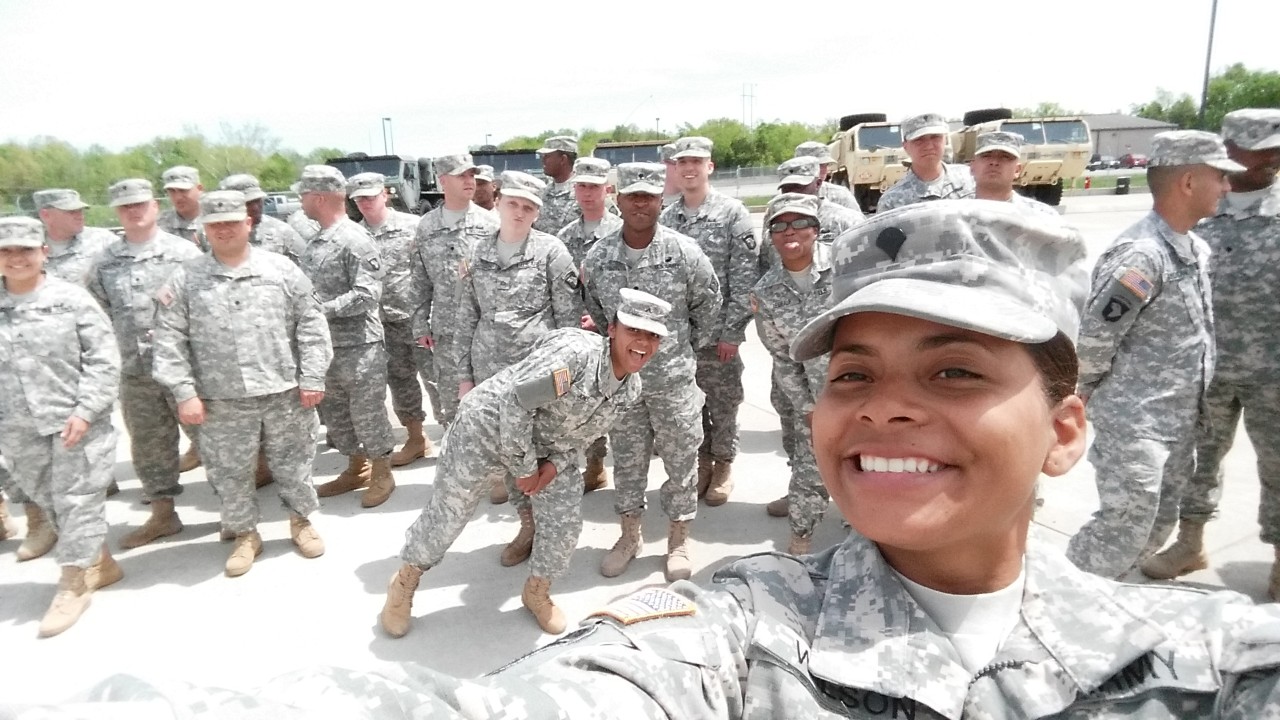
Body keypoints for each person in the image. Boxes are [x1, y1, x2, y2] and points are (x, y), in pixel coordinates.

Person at [47, 202, 1280, 717]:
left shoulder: (1197, 661)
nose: (886, 410)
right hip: (492, 432)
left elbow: (640, 432)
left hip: (543, 449)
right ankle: (418, 575)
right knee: (446, 535)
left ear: (1066, 428)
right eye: (851, 375)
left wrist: (590, 501)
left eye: (955, 372)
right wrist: (534, 485)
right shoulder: (734, 636)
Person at [380, 290, 667, 636]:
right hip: (485, 429)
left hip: (544, 445)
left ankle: (536, 592)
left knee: (564, 525)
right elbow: (515, 404)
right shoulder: (573, 358)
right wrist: (527, 468)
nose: (643, 343)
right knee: (449, 516)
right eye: (634, 331)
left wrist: (553, 467)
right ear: (612, 331)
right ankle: (404, 583)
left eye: (652, 336)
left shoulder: (629, 390)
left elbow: (581, 435)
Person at [1066, 131, 1240, 579]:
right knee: (1123, 528)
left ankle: (1105, 604)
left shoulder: (1193, 248)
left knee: (1156, 525)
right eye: (1219, 176)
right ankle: (1055, 598)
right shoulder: (1142, 256)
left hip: (1178, 419)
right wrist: (1080, 400)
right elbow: (1095, 340)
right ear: (1187, 181)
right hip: (1135, 421)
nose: (1227, 186)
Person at [152, 191, 333, 576]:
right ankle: (244, 534)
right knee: (229, 471)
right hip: (221, 399)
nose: (224, 230)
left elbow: (312, 324)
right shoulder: (186, 278)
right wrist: (184, 393)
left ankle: (301, 521)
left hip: (284, 390)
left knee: (294, 463)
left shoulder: (281, 270)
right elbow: (168, 340)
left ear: (248, 223)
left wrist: (313, 375)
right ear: (204, 228)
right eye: (215, 224)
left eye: (232, 222)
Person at [1143, 109, 1280, 592]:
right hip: (1204, 367)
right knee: (1196, 460)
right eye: (1261, 147)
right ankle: (1189, 543)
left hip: (1274, 369)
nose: (1271, 157)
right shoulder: (1199, 208)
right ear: (1235, 150)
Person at [583, 162, 720, 581]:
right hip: (622, 384)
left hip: (673, 382)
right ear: (617, 199)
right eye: (632, 196)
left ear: (662, 199)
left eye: (648, 195)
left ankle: (678, 539)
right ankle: (629, 536)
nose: (640, 204)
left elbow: (708, 305)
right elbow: (597, 311)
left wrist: (680, 353)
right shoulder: (600, 256)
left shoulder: (684, 252)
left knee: (681, 462)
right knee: (627, 462)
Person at [0, 216, 121, 638]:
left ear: (43, 252)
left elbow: (104, 360)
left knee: (77, 500)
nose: (16, 258)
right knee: (49, 502)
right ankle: (100, 563)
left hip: (74, 422)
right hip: (16, 428)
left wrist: (86, 410)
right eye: (6, 251)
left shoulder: (72, 300)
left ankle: (73, 583)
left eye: (25, 250)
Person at [455, 169, 583, 530]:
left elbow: (569, 323)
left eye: (529, 207)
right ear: (497, 202)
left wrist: (564, 379)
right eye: (512, 203)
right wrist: (465, 379)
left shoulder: (551, 252)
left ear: (537, 213)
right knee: (508, 453)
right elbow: (466, 319)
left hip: (538, 377)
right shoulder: (477, 253)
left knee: (545, 448)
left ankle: (552, 527)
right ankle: (526, 523)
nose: (519, 212)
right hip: (491, 376)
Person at [89, 179, 202, 549]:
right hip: (135, 372)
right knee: (149, 446)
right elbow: (97, 316)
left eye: (140, 204)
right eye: (125, 207)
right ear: (116, 213)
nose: (133, 211)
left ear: (154, 206)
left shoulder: (184, 253)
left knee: (215, 440)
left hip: (187, 370)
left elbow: (203, 308)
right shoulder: (105, 262)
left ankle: (237, 515)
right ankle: (163, 514)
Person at [660, 136, 759, 506]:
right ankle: (701, 461)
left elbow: (745, 277)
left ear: (709, 167)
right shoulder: (668, 219)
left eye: (696, 162)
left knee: (724, 402)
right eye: (682, 162)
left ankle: (724, 465)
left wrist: (733, 331)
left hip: (719, 334)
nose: (688, 169)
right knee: (690, 404)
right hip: (681, 337)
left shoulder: (732, 213)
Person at [294, 165, 398, 508]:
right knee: (338, 414)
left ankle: (382, 470)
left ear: (319, 197)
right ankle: (356, 466)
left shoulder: (354, 239)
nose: (301, 200)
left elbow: (368, 294)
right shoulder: (317, 240)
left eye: (305, 194)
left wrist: (322, 310)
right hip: (326, 347)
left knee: (367, 413)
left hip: (359, 346)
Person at [751, 194, 833, 554]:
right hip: (814, 398)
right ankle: (802, 540)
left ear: (816, 230)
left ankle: (873, 532)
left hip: (868, 393)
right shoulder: (766, 291)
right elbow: (782, 357)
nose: (790, 232)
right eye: (779, 226)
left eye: (800, 223)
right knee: (808, 465)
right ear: (771, 236)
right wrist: (808, 406)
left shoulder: (848, 268)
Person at [348, 172, 435, 467]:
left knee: (437, 380)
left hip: (417, 317)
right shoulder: (354, 235)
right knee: (400, 381)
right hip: (380, 322)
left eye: (371, 196)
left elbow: (430, 271)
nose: (365, 203)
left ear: (385, 194)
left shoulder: (413, 226)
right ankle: (416, 437)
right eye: (359, 199)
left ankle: (455, 436)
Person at [410, 154, 499, 433]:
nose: (469, 181)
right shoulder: (426, 226)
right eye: (461, 176)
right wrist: (419, 323)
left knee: (488, 401)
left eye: (471, 175)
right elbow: (420, 279)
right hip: (445, 333)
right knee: (451, 402)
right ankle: (455, 464)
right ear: (443, 181)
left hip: (484, 331)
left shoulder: (490, 224)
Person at [558, 157, 625, 493]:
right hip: (577, 336)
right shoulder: (564, 237)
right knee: (584, 401)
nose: (587, 193)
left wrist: (603, 321)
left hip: (615, 333)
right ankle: (595, 464)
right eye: (581, 186)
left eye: (594, 186)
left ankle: (625, 468)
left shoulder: (622, 232)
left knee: (619, 401)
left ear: (607, 189)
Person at [876, 112, 974, 212]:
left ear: (945, 140)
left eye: (935, 137)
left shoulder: (971, 179)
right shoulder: (891, 201)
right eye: (919, 140)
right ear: (905, 146)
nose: (929, 146)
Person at [34, 188, 116, 286]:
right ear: (46, 215)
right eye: (71, 212)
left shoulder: (102, 240)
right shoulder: (28, 246)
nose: (80, 216)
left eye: (80, 211)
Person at [217, 174, 306, 263]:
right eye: (248, 203)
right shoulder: (212, 235)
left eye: (258, 200)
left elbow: (306, 266)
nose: (255, 207)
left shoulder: (282, 232)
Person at [968, 131, 1060, 216]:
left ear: (1017, 170)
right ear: (972, 167)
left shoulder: (1042, 215)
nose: (994, 162)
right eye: (986, 156)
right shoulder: (957, 212)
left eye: (1005, 157)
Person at [794, 140, 860, 211]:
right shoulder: (785, 195)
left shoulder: (841, 195)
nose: (824, 170)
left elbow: (858, 220)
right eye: (818, 165)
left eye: (826, 165)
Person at [532, 135, 579, 235]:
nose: (543, 160)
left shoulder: (585, 192)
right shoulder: (542, 193)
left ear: (563, 159)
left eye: (547, 156)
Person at [157, 165, 205, 247]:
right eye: (172, 191)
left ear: (199, 189)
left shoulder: (216, 220)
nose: (178, 197)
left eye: (183, 190)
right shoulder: (159, 224)